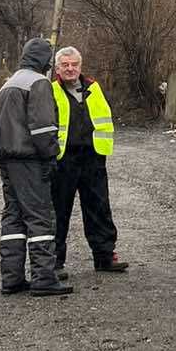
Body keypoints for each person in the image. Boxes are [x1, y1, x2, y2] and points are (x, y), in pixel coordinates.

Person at [0, 38, 70, 297]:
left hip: (6, 159)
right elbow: (43, 128)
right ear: (44, 60)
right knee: (40, 216)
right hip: (30, 160)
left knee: (13, 216)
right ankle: (44, 278)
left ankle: (11, 278)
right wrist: (51, 158)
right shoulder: (38, 83)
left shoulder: (9, 83)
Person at [50, 46, 128, 276]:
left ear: (80, 66)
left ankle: (104, 256)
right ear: (57, 68)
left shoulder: (94, 88)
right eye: (65, 65)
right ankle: (54, 262)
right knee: (58, 210)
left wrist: (102, 151)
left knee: (99, 208)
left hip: (93, 157)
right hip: (63, 159)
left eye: (74, 64)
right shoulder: (50, 90)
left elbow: (104, 118)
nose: (70, 68)